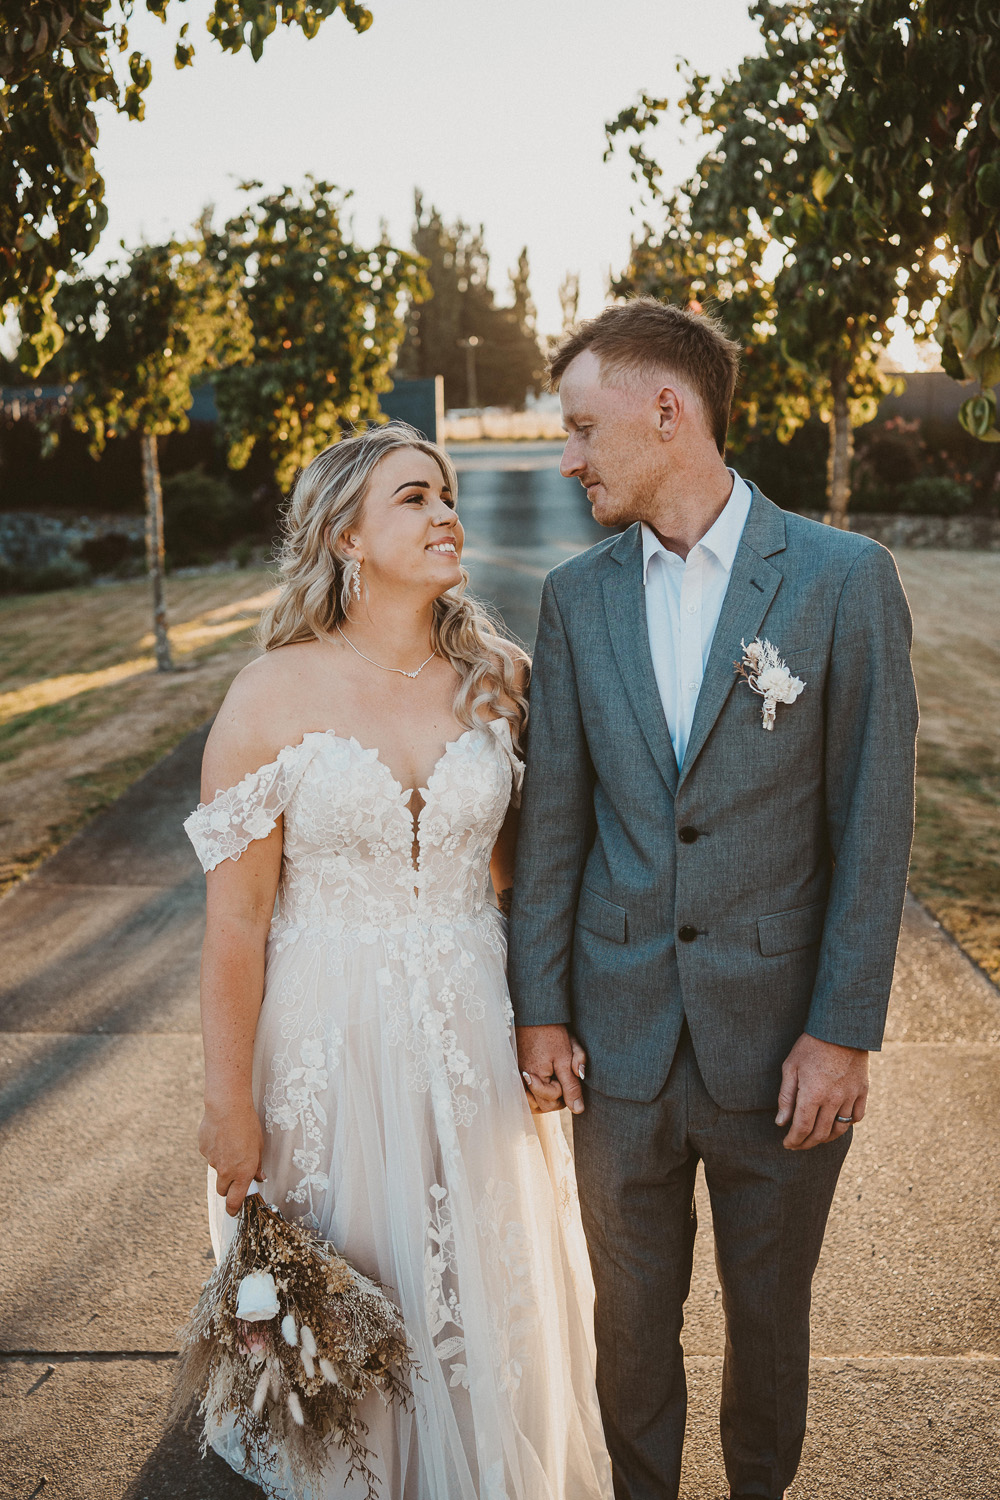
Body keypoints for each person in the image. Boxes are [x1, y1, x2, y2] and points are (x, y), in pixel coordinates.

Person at [509, 298, 919, 1500]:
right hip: (616, 1043)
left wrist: (841, 1032)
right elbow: (556, 826)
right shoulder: (576, 596)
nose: (568, 456)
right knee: (629, 1336)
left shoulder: (843, 580)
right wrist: (541, 1009)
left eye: (581, 427)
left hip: (784, 1048)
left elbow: (874, 827)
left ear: (666, 412)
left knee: (768, 1328)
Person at [183, 422, 612, 1500]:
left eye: (446, 494)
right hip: (326, 1044)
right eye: (414, 498)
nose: (445, 514)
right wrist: (227, 1100)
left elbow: (527, 881)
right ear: (346, 536)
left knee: (476, 1279)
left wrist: (549, 1017)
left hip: (471, 1031)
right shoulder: (270, 695)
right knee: (348, 1283)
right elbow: (235, 923)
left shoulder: (499, 681)